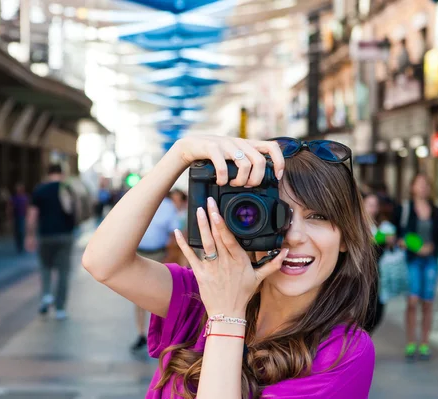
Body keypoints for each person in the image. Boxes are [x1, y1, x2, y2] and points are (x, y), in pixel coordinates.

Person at [83, 136, 376, 398]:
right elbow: (104, 263)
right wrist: (180, 154)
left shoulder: (345, 352)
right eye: (279, 214)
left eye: (319, 217)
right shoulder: (203, 297)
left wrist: (226, 318)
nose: (295, 236)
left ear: (344, 238)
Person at [396, 174, 438, 361]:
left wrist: (432, 246)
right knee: (412, 301)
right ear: (412, 187)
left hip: (431, 260)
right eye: (419, 184)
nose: (423, 187)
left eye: (426, 184)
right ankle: (411, 343)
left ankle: (424, 343)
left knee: (427, 302)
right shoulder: (404, 209)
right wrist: (405, 242)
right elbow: (396, 233)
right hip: (412, 260)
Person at [26, 164, 76, 320]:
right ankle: (60, 308)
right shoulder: (67, 189)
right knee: (63, 272)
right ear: (61, 173)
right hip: (65, 235)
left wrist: (30, 235)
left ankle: (46, 295)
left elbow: (32, 215)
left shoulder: (40, 190)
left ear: (48, 173)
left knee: (45, 267)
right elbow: (77, 210)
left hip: (46, 235)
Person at [131, 195, 180, 352]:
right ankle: (141, 333)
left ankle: (161, 335)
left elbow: (174, 232)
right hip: (138, 254)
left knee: (160, 294)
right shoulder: (138, 203)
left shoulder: (167, 206)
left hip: (160, 254)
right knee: (138, 295)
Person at [363, 193, 395, 333]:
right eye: (370, 205)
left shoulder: (384, 225)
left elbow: (394, 242)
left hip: (380, 272)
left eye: (375, 205)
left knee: (378, 310)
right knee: (364, 309)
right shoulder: (359, 225)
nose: (373, 209)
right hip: (362, 273)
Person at [10, 183, 29, 254]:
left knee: (21, 231)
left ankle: (21, 245)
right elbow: (10, 207)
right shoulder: (14, 198)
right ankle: (18, 245)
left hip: (22, 216)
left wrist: (28, 216)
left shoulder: (25, 197)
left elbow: (27, 206)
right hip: (16, 216)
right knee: (16, 231)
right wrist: (10, 216)